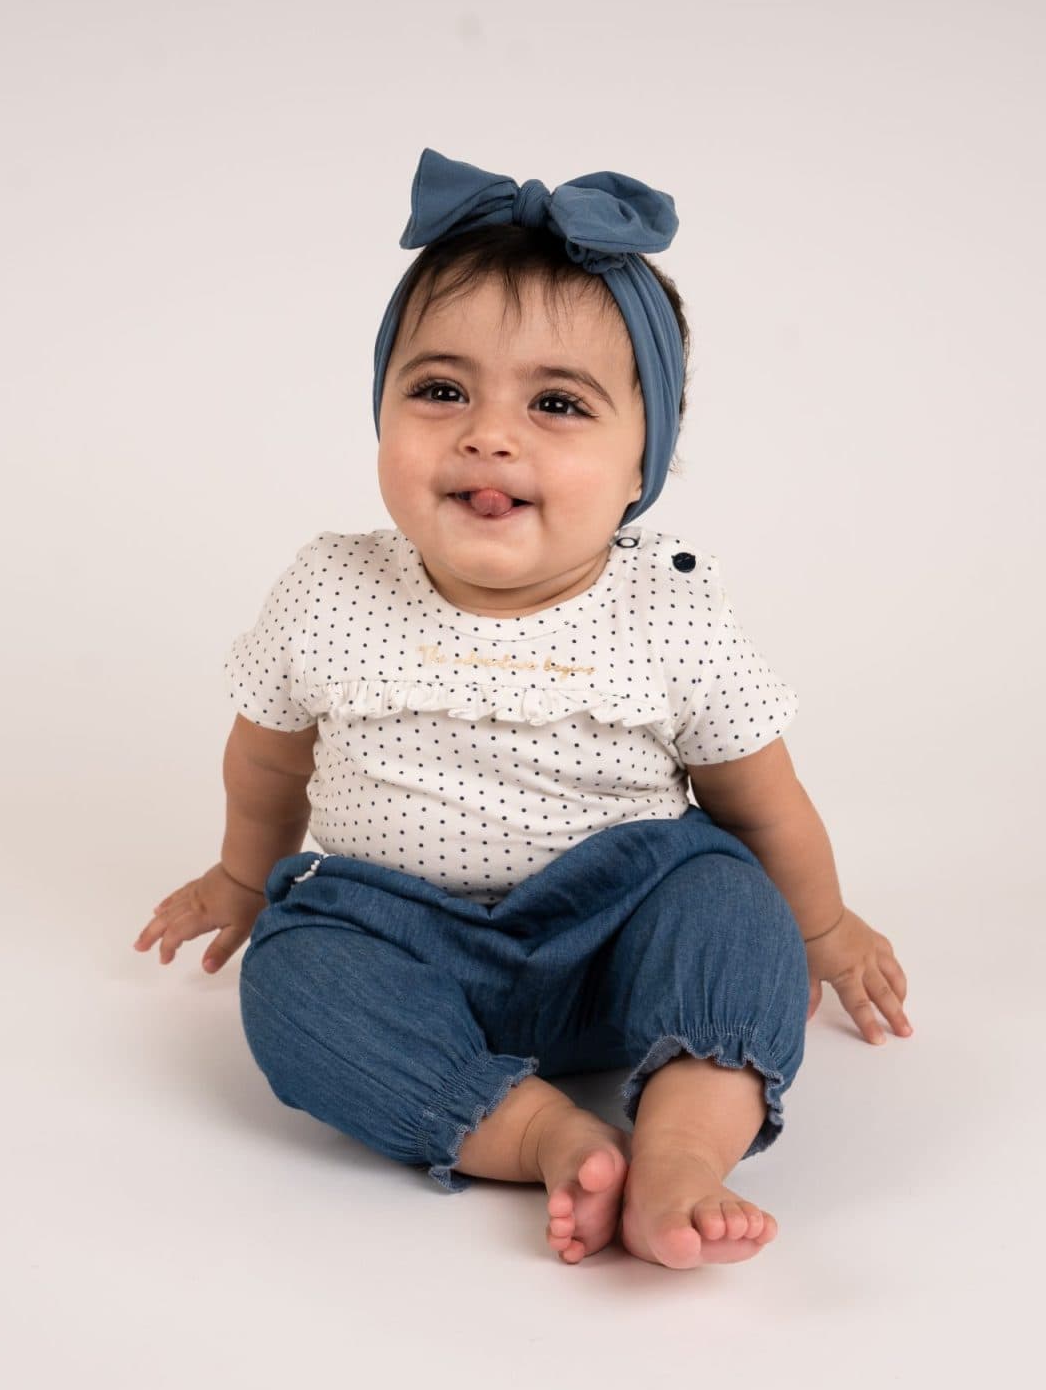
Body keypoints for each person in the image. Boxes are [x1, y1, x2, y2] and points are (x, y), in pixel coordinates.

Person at [134, 148, 913, 1271]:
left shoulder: (671, 607)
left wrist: (826, 929)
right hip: (394, 930)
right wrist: (243, 879)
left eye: (556, 404)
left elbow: (764, 798)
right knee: (292, 986)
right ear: (381, 414)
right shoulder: (329, 589)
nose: (488, 434)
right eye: (440, 390)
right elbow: (267, 764)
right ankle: (541, 1132)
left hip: (621, 928)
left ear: (645, 460)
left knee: (734, 908)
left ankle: (684, 1152)